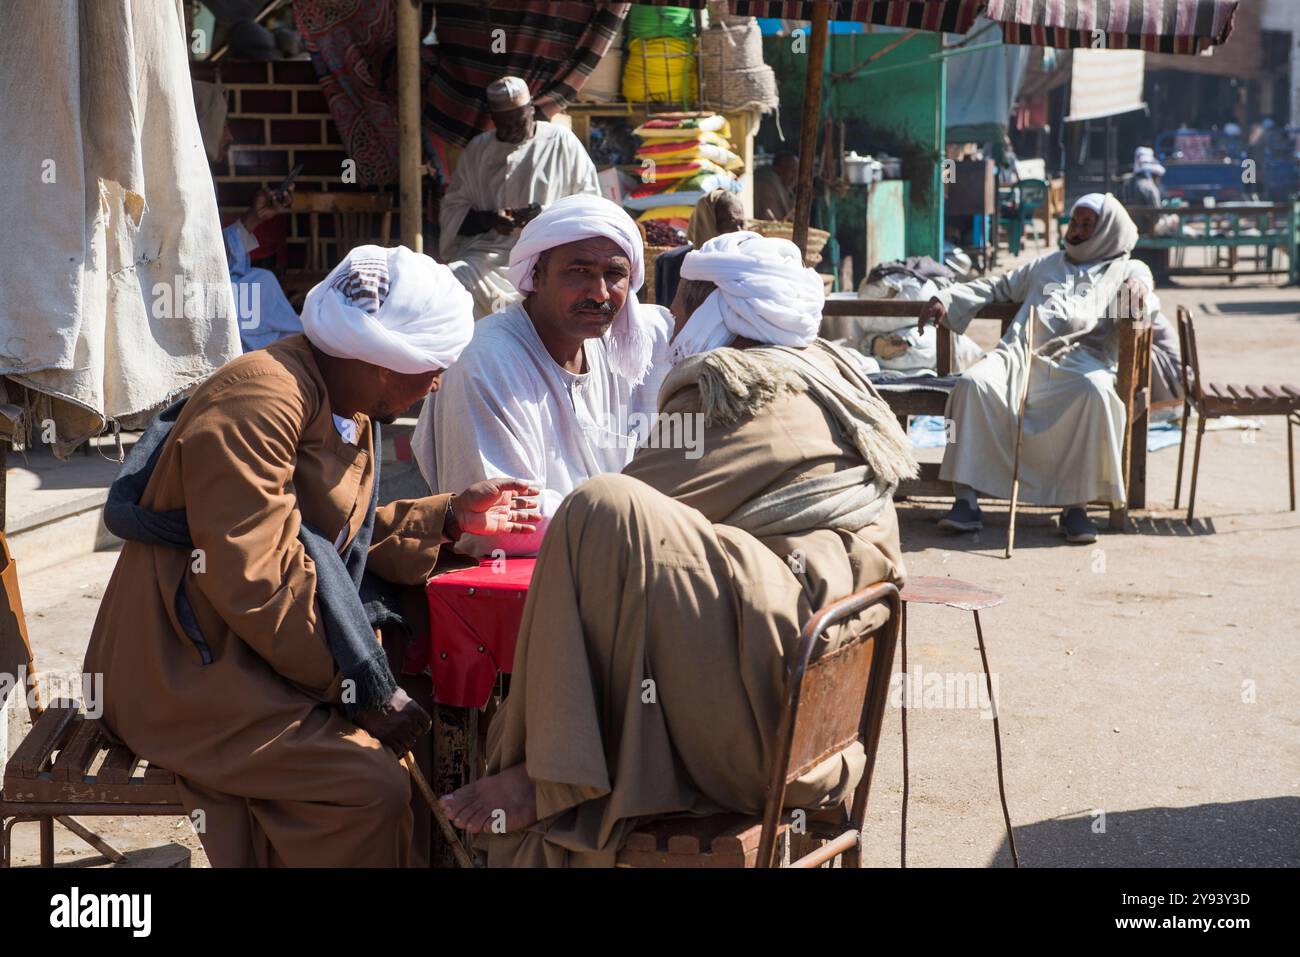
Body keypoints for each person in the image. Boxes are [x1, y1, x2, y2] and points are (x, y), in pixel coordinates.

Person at [439, 231, 915, 867]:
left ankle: (549, 770)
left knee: (599, 510)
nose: (673, 326)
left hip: (770, 723)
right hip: (829, 719)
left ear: (713, 310)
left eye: (683, 308)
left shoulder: (736, 385)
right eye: (578, 272)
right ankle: (564, 759)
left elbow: (621, 519)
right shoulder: (827, 370)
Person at [83, 246, 542, 867]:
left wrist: (450, 518)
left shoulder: (343, 401)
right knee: (364, 788)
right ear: (384, 361)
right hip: (184, 667)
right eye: (432, 366)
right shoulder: (260, 400)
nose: (436, 383)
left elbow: (328, 536)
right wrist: (364, 688)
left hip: (252, 647)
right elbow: (257, 577)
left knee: (436, 695)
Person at [415, 194, 673, 558]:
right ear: (536, 274)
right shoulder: (488, 361)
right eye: (579, 271)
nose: (599, 292)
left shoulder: (623, 347)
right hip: (509, 582)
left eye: (614, 275)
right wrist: (645, 519)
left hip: (607, 554)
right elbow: (505, 526)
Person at [918, 194, 1159, 545]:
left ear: (1108, 230)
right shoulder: (1046, 264)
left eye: (1086, 225)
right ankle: (966, 501)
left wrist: (1138, 292)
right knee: (972, 385)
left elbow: (1146, 296)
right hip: (1019, 356)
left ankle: (1075, 508)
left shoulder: (1127, 269)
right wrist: (947, 299)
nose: (1075, 231)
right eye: (1074, 222)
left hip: (1081, 363)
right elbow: (997, 285)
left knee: (1095, 394)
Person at [438, 76, 601, 318]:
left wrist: (544, 216)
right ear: (493, 120)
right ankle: (473, 352)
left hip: (547, 251)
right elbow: (452, 211)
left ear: (532, 111)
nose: (513, 130)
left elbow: (590, 204)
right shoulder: (478, 150)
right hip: (487, 254)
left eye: (519, 121)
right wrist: (490, 219)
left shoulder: (561, 142)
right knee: (454, 277)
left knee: (553, 286)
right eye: (505, 125)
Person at [652, 187, 745, 308]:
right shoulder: (672, 264)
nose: (739, 231)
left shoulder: (745, 265)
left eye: (742, 224)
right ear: (706, 223)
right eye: (729, 224)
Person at [753, 150, 798, 221]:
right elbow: (771, 218)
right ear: (777, 169)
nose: (795, 176)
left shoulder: (785, 187)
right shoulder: (769, 183)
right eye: (792, 171)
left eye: (797, 172)